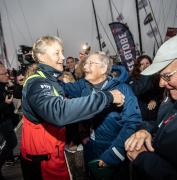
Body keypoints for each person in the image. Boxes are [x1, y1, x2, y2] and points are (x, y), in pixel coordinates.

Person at [20, 36, 125, 180]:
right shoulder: (37, 83)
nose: (62, 57)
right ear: (41, 56)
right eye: (57, 53)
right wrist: (107, 97)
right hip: (42, 162)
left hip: (54, 154)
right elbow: (59, 112)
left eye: (62, 52)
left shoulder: (50, 80)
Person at [62, 52, 142, 179]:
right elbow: (63, 88)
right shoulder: (84, 86)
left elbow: (133, 122)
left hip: (112, 150)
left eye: (90, 63)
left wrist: (113, 155)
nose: (85, 67)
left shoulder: (123, 89)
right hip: (90, 148)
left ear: (103, 68)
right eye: (85, 63)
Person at [125, 34, 177, 180]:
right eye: (160, 76)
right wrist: (146, 130)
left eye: (167, 75)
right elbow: (162, 125)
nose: (162, 83)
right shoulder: (173, 100)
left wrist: (142, 158)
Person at [128, 55, 163, 122]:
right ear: (138, 66)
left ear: (151, 64)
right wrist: (145, 74)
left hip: (154, 114)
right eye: (142, 64)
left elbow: (160, 93)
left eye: (147, 63)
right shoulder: (132, 78)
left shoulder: (156, 78)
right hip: (139, 115)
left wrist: (155, 100)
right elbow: (136, 91)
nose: (145, 66)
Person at [0, 64, 18, 179]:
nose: (7, 75)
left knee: (9, 142)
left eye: (7, 73)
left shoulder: (4, 85)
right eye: (4, 74)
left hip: (7, 119)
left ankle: (8, 159)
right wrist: (5, 104)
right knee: (12, 142)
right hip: (2, 121)